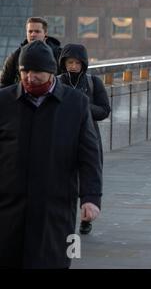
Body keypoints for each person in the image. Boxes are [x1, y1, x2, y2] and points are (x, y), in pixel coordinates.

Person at [0, 40, 102, 268]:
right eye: (24, 71)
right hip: (9, 204)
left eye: (36, 72)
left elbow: (89, 154)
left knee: (51, 260)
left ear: (51, 72)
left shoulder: (75, 103)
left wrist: (91, 197)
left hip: (54, 205)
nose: (29, 77)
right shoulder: (4, 101)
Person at [57, 43, 111, 234]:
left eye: (76, 62)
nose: (72, 66)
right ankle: (66, 217)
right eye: (69, 62)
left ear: (83, 63)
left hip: (89, 138)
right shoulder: (57, 82)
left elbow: (105, 110)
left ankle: (86, 217)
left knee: (88, 177)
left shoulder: (93, 82)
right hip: (63, 138)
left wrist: (84, 106)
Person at [1, 17, 62, 88]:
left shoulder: (58, 54)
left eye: (37, 31)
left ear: (45, 33)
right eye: (30, 31)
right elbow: (4, 83)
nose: (33, 34)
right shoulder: (16, 56)